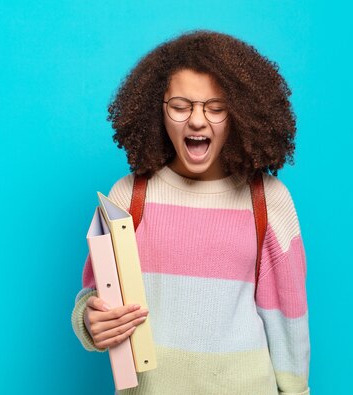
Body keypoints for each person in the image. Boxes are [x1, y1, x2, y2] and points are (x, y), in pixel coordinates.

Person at [71, 30, 310, 395]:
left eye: (215, 108)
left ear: (240, 114)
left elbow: (287, 321)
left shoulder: (268, 200)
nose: (197, 121)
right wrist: (92, 321)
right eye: (181, 106)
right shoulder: (127, 196)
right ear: (158, 110)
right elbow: (94, 295)